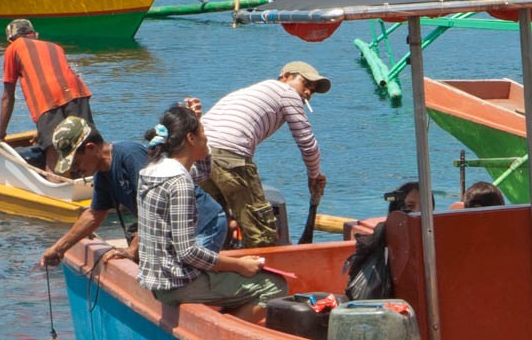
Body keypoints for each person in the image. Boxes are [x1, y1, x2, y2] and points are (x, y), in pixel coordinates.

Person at [136, 104, 286, 322]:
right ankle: (227, 334)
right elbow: (187, 252)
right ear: (190, 138)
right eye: (203, 132)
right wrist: (239, 265)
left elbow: (204, 172)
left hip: (159, 279)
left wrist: (197, 120)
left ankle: (226, 321)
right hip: (176, 283)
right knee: (274, 286)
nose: (207, 138)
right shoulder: (178, 183)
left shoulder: (151, 173)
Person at [38, 112, 228, 269]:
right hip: (177, 230)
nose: (74, 170)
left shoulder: (130, 155)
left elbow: (155, 210)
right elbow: (94, 215)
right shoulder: (102, 173)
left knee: (189, 275)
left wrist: (132, 250)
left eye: (76, 163)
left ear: (91, 148)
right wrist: (59, 248)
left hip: (204, 222)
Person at [201, 62, 329, 248]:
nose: (308, 92)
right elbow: (307, 143)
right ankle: (262, 267)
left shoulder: (253, 91)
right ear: (286, 77)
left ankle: (219, 263)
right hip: (230, 154)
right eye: (305, 84)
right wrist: (314, 175)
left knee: (218, 224)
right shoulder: (287, 92)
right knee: (261, 232)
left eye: (313, 90)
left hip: (200, 154)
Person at [0, 19, 94, 172]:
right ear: (35, 35)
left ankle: (57, 183)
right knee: (85, 144)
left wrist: (0, 135)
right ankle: (93, 180)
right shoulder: (55, 47)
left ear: (10, 40)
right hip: (78, 93)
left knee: (54, 155)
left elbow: (8, 96)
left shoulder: (13, 48)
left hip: (47, 99)